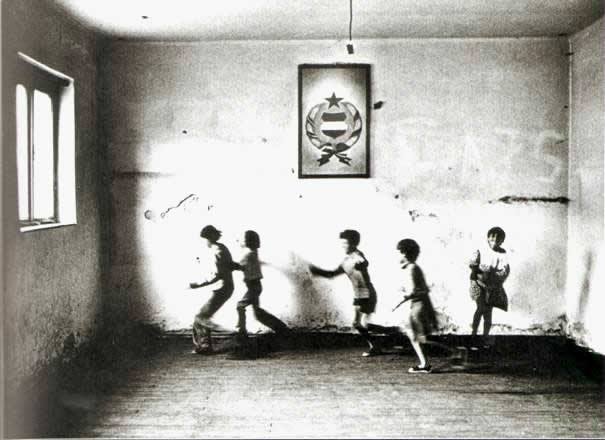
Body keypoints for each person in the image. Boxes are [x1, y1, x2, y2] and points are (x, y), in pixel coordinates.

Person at [309, 229, 382, 357]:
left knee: (362, 324)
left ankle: (385, 339)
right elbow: (331, 274)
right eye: (342, 244)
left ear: (354, 244)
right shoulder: (345, 262)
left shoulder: (358, 255)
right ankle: (377, 344)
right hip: (358, 295)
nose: (343, 246)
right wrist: (317, 271)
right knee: (357, 324)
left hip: (367, 294)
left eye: (346, 243)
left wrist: (361, 260)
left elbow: (364, 262)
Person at [233, 230, 289, 338]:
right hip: (255, 286)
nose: (243, 241)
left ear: (248, 241)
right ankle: (282, 329)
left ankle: (242, 332)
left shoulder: (249, 255)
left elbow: (239, 266)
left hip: (253, 287)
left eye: (245, 239)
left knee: (240, 306)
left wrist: (228, 264)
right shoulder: (253, 253)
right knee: (258, 313)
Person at [189, 225, 235, 354]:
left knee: (200, 317)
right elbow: (231, 265)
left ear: (208, 238)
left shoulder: (217, 252)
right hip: (227, 287)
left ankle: (207, 345)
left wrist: (196, 285)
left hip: (221, 288)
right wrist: (241, 267)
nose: (204, 243)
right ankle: (204, 345)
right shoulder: (223, 248)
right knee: (201, 316)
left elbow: (215, 275)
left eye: (204, 239)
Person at [395, 238, 437, 373]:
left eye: (399, 252)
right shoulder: (412, 268)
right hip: (418, 304)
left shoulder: (412, 268)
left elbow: (414, 290)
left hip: (418, 305)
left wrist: (401, 297)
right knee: (416, 336)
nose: (398, 255)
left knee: (416, 336)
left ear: (405, 253)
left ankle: (425, 365)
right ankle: (426, 363)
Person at [469, 226, 510, 348]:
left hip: (492, 286)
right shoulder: (480, 250)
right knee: (481, 308)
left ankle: (485, 336)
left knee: (488, 312)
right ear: (487, 239)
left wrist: (496, 273)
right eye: (492, 239)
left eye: (497, 240)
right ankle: (473, 335)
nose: (494, 242)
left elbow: (504, 270)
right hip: (478, 283)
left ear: (501, 241)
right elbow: (473, 266)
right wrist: (480, 269)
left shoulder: (502, 253)